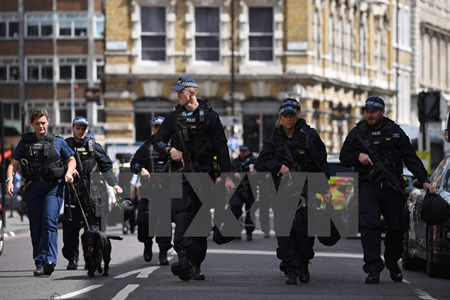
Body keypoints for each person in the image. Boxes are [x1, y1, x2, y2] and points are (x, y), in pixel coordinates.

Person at [339, 96, 436, 284]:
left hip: (392, 188)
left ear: (382, 112)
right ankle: (373, 268)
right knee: (369, 227)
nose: (369, 115)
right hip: (368, 186)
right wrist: (358, 156)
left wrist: (424, 180)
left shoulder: (395, 132)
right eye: (367, 111)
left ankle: (391, 261)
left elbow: (410, 157)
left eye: (373, 111)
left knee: (396, 227)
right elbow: (344, 157)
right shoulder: (357, 132)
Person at [153, 76, 235, 281]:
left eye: (181, 91)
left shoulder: (210, 117)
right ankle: (182, 258)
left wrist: (227, 176)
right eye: (177, 92)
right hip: (180, 176)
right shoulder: (173, 117)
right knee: (182, 217)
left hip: (205, 175)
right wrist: (170, 150)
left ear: (193, 92)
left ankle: (194, 264)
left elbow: (221, 148)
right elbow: (157, 141)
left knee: (200, 222)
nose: (178, 94)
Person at [256, 102, 332, 285]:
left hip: (306, 190)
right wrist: (279, 166)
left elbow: (320, 163)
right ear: (280, 118)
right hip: (282, 192)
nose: (288, 119)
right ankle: (290, 268)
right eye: (285, 116)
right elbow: (261, 163)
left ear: (297, 116)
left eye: (291, 116)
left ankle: (304, 264)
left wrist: (324, 188)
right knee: (284, 232)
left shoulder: (309, 136)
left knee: (304, 231)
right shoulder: (274, 140)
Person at [5, 108, 76, 276]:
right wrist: (9, 180)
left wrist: (68, 172)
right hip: (33, 188)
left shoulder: (57, 141)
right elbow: (12, 164)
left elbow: (71, 159)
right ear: (32, 124)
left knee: (49, 222)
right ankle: (39, 262)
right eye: (37, 124)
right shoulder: (25, 141)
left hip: (53, 187)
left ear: (48, 122)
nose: (41, 126)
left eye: (44, 123)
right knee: (36, 227)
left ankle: (50, 260)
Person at [62, 116, 123, 270]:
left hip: (93, 193)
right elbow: (57, 164)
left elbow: (106, 166)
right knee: (70, 228)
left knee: (93, 229)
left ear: (87, 129)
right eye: (78, 128)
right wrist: (68, 169)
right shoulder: (66, 145)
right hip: (73, 192)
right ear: (72, 128)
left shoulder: (93, 146)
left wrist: (115, 184)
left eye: (83, 128)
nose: (81, 131)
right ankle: (72, 259)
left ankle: (93, 259)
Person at [131, 116, 173, 265]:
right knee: (143, 221)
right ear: (153, 129)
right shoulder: (146, 147)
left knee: (164, 222)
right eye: (156, 127)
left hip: (166, 190)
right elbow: (134, 163)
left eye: (161, 127)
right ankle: (147, 243)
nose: (158, 130)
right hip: (149, 190)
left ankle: (163, 252)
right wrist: (140, 169)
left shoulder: (173, 146)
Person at [230, 145, 257, 241]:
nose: (242, 153)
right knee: (236, 208)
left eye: (244, 151)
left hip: (250, 188)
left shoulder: (254, 161)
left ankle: (249, 232)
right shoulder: (235, 161)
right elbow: (230, 171)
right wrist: (234, 174)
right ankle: (237, 231)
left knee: (250, 211)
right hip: (238, 189)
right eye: (241, 151)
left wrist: (255, 173)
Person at [118, 153, 136, 235]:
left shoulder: (120, 169)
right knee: (132, 210)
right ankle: (132, 227)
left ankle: (125, 227)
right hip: (132, 193)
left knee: (124, 211)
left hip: (122, 192)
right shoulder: (133, 168)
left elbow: (117, 181)